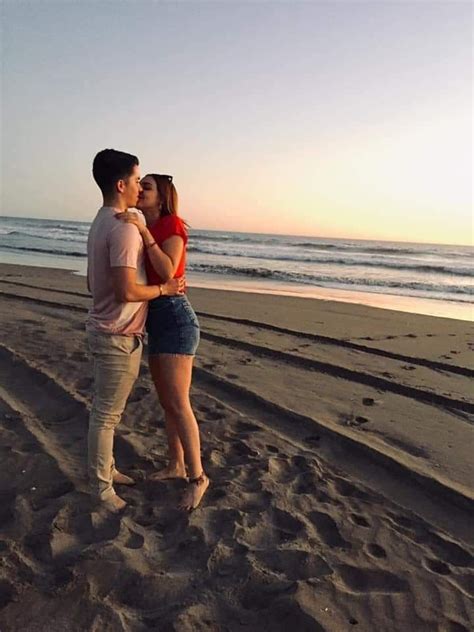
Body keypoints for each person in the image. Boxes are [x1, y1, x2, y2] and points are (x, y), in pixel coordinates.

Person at [86, 150, 184, 513]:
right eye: (137, 180)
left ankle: (109, 469)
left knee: (106, 412)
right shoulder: (125, 228)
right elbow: (127, 291)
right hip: (117, 334)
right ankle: (102, 490)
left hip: (104, 329)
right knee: (106, 416)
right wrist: (163, 290)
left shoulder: (100, 221)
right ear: (121, 184)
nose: (139, 189)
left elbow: (91, 283)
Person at [116, 173, 209, 511]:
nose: (141, 190)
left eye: (148, 186)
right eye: (141, 185)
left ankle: (198, 478)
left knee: (179, 402)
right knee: (168, 401)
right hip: (155, 317)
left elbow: (169, 272)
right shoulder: (150, 227)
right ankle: (176, 465)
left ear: (164, 195)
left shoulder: (171, 225)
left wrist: (142, 231)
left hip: (175, 318)